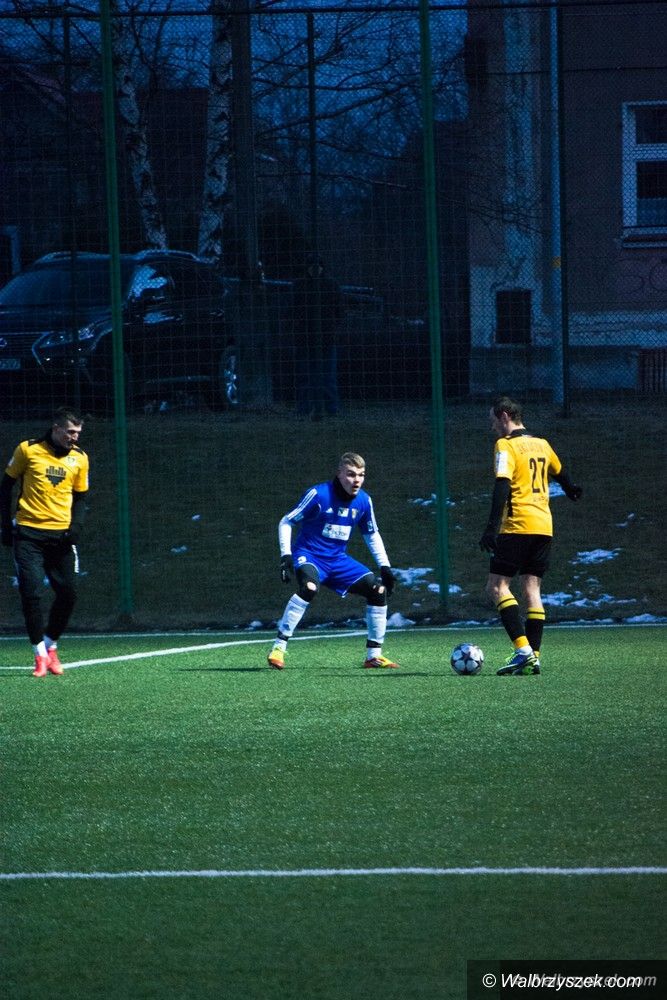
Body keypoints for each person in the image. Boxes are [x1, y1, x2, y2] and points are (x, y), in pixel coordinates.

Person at [479, 396, 582, 676]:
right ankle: (534, 657)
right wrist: (571, 488)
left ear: (504, 416)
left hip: (517, 526)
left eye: (493, 421)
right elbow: (560, 471)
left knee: (497, 587)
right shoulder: (542, 444)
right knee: (532, 590)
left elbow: (502, 485)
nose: (492, 427)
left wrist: (491, 528)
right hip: (543, 527)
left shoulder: (506, 445)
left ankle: (523, 651)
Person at [267, 452, 398, 670]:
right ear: (339, 474)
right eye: (351, 474)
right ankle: (278, 648)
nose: (356, 480)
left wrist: (385, 567)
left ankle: (373, 656)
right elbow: (286, 521)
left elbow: (371, 534)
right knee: (309, 588)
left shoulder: (364, 501)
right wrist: (285, 555)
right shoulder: (318, 495)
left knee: (378, 590)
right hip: (310, 555)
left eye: (361, 475)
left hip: (338, 561)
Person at [0, 407, 89, 677]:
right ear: (56, 428)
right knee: (31, 592)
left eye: (78, 433)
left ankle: (51, 645)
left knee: (69, 593)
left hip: (61, 537)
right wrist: (5, 526)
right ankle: (39, 654)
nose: (74, 437)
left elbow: (81, 498)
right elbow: (6, 487)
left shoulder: (80, 458)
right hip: (29, 535)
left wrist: (76, 527)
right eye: (70, 432)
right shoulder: (28, 450)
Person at [288, 254, 343, 419]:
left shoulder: (303, 286)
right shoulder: (328, 285)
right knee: (315, 376)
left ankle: (324, 408)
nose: (315, 270)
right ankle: (323, 407)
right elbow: (339, 311)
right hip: (311, 337)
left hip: (318, 337)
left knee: (323, 376)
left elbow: (339, 311)